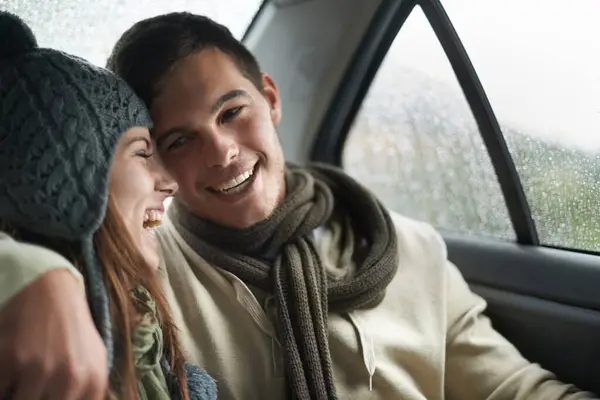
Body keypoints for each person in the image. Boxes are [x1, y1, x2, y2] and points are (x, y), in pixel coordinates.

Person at [0, 11, 596, 400]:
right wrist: (30, 273)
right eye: (180, 141)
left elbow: (513, 388)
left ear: (270, 99)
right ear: (153, 158)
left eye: (232, 113)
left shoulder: (407, 248)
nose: (224, 153)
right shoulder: (144, 276)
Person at [0, 12, 216, 400]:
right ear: (66, 177)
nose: (170, 182)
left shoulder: (148, 337)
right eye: (142, 151)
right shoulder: (34, 353)